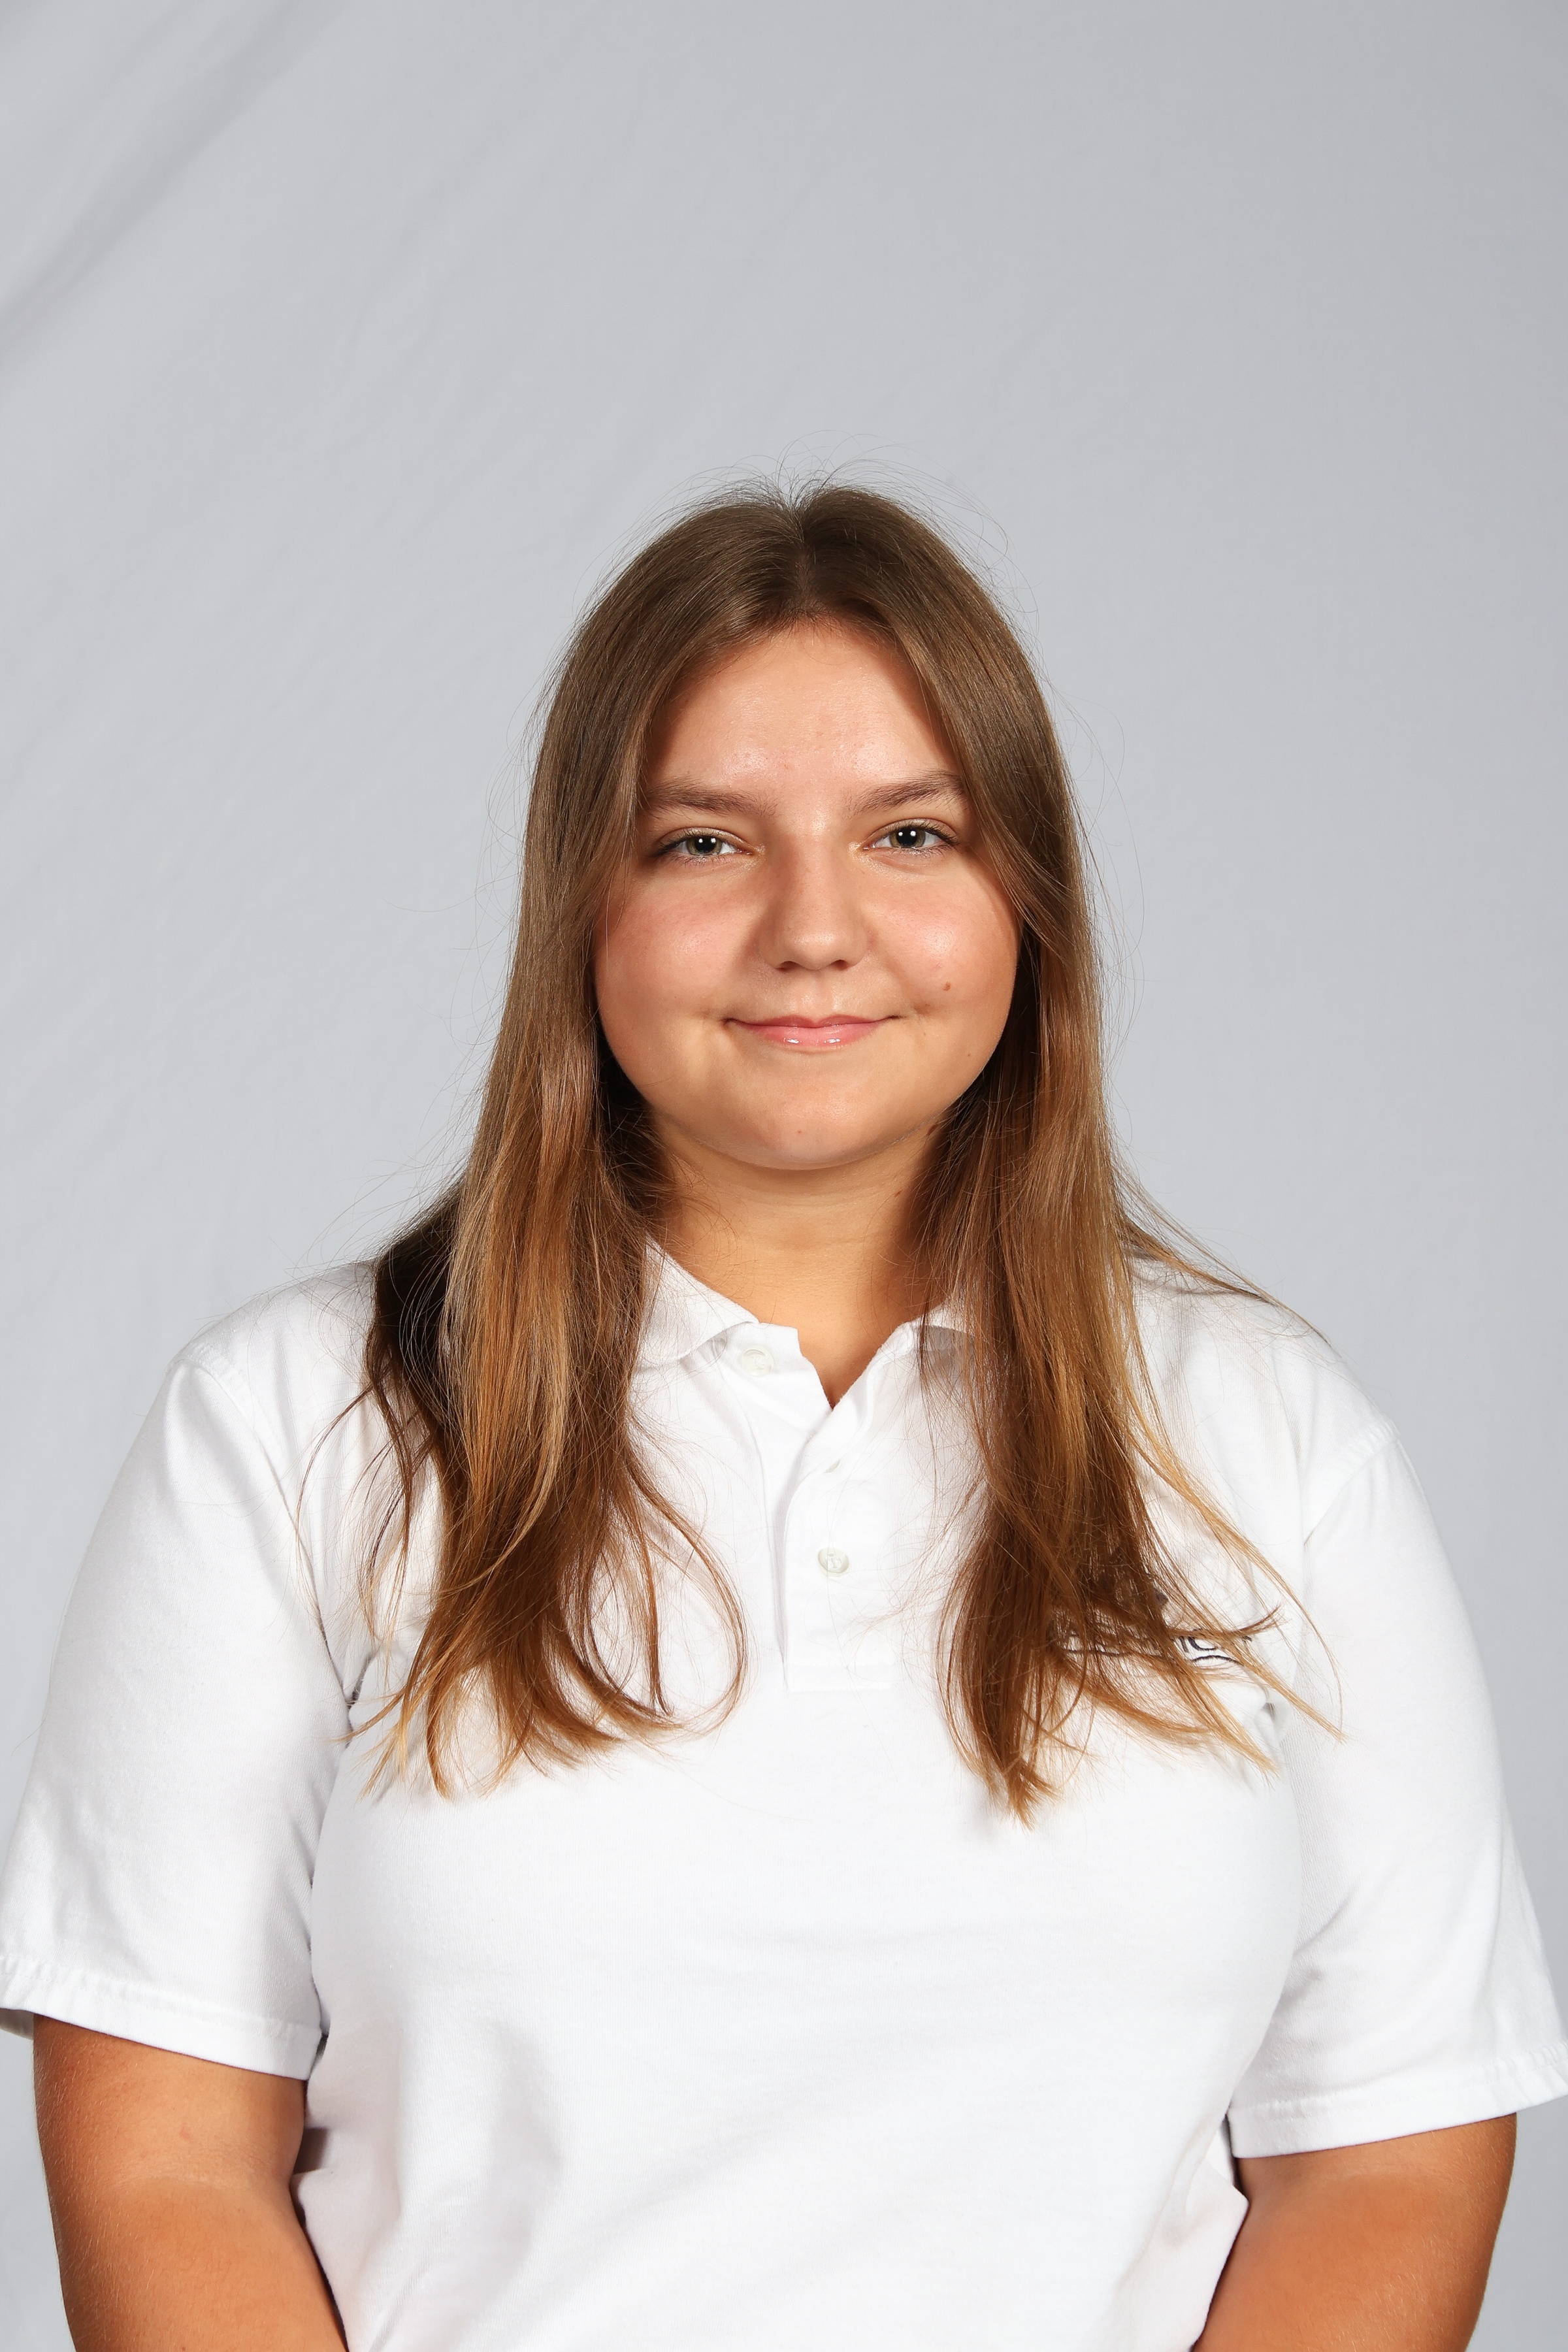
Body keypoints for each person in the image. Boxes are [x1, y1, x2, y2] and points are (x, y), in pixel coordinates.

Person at [2, 483, 1563, 2352]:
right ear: (582, 907)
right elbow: (165, 2164)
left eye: (911, 833)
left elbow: (1391, 2154)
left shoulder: (1267, 1439)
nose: (814, 929)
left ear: (1026, 899)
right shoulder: (291, 1425)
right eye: (703, 842)